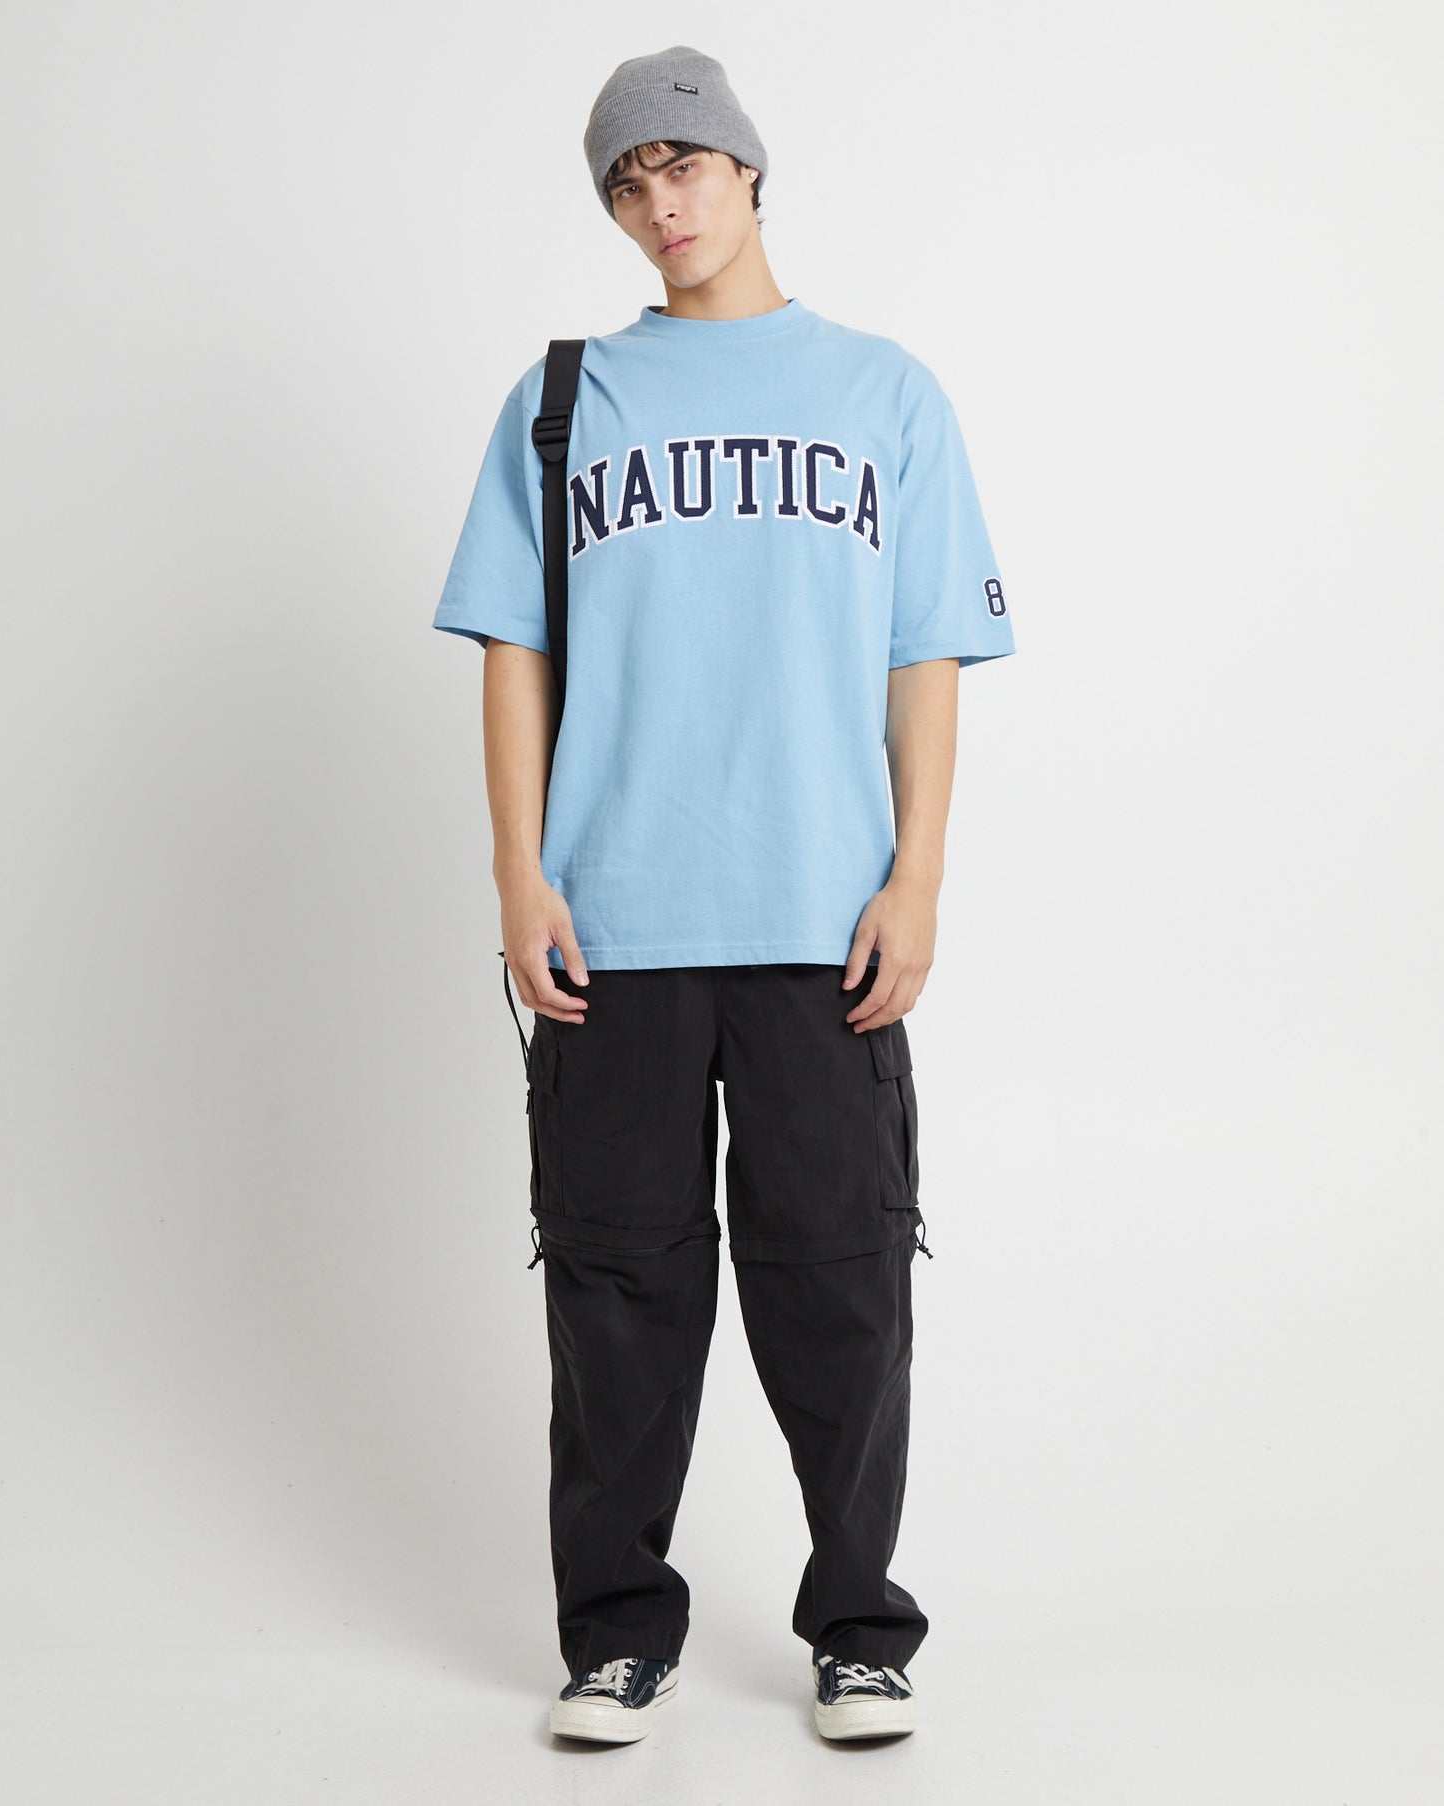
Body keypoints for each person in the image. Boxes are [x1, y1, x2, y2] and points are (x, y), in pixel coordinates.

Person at [432, 45, 1017, 1745]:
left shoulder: (882, 392)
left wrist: (916, 874)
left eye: (681, 165)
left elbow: (923, 654)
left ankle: (859, 1626)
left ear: (748, 170)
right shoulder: (561, 401)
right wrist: (518, 870)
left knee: (841, 1278)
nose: (658, 203)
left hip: (822, 917)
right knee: (615, 1288)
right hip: (611, 920)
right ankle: (616, 1631)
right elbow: (514, 651)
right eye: (626, 182)